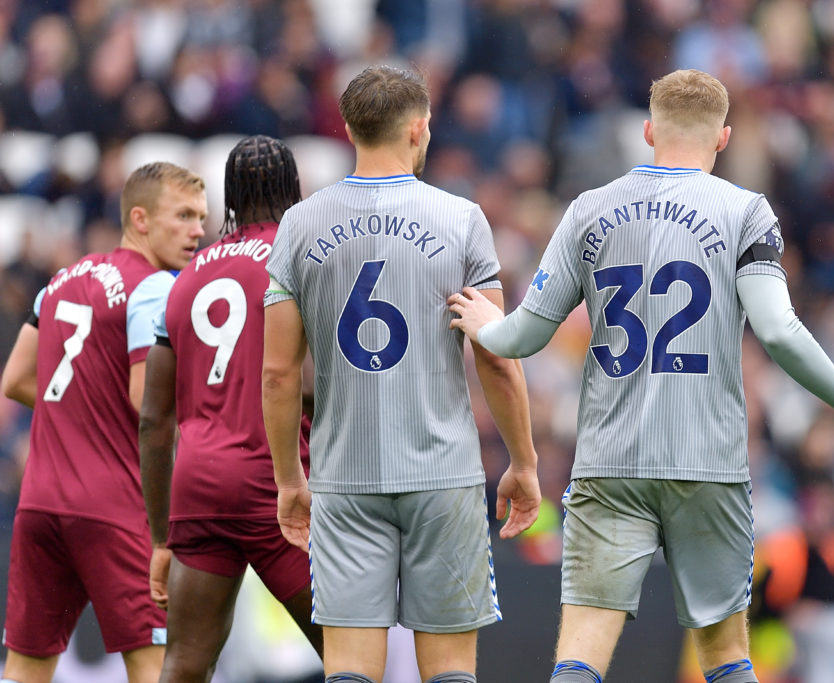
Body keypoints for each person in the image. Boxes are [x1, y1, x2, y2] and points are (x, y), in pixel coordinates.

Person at [447, 69, 834, 683]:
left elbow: (523, 336)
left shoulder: (589, 209)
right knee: (727, 659)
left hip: (610, 462)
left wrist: (483, 324)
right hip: (707, 465)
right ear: (725, 137)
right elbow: (781, 331)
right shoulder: (745, 212)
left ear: (651, 131)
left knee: (580, 654)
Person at [261, 64, 541, 683]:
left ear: (348, 128)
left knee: (353, 673)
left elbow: (279, 373)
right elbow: (495, 354)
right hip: (442, 476)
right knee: (448, 673)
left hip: (343, 476)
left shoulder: (300, 224)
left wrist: (289, 477)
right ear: (419, 128)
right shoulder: (462, 219)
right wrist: (523, 462)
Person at [0, 162, 208, 683]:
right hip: (114, 509)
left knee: (26, 666)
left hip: (40, 504)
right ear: (139, 218)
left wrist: (80, 412)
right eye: (182, 216)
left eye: (202, 218)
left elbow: (17, 378)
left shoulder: (62, 280)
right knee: (154, 665)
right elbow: (146, 400)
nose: (198, 231)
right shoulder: (156, 287)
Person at [138, 135, 323, 683]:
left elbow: (153, 420)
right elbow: (309, 385)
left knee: (185, 665)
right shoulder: (299, 257)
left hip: (198, 486)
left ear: (231, 196)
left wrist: (160, 537)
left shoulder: (187, 278)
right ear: (294, 190)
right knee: (353, 653)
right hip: (275, 483)